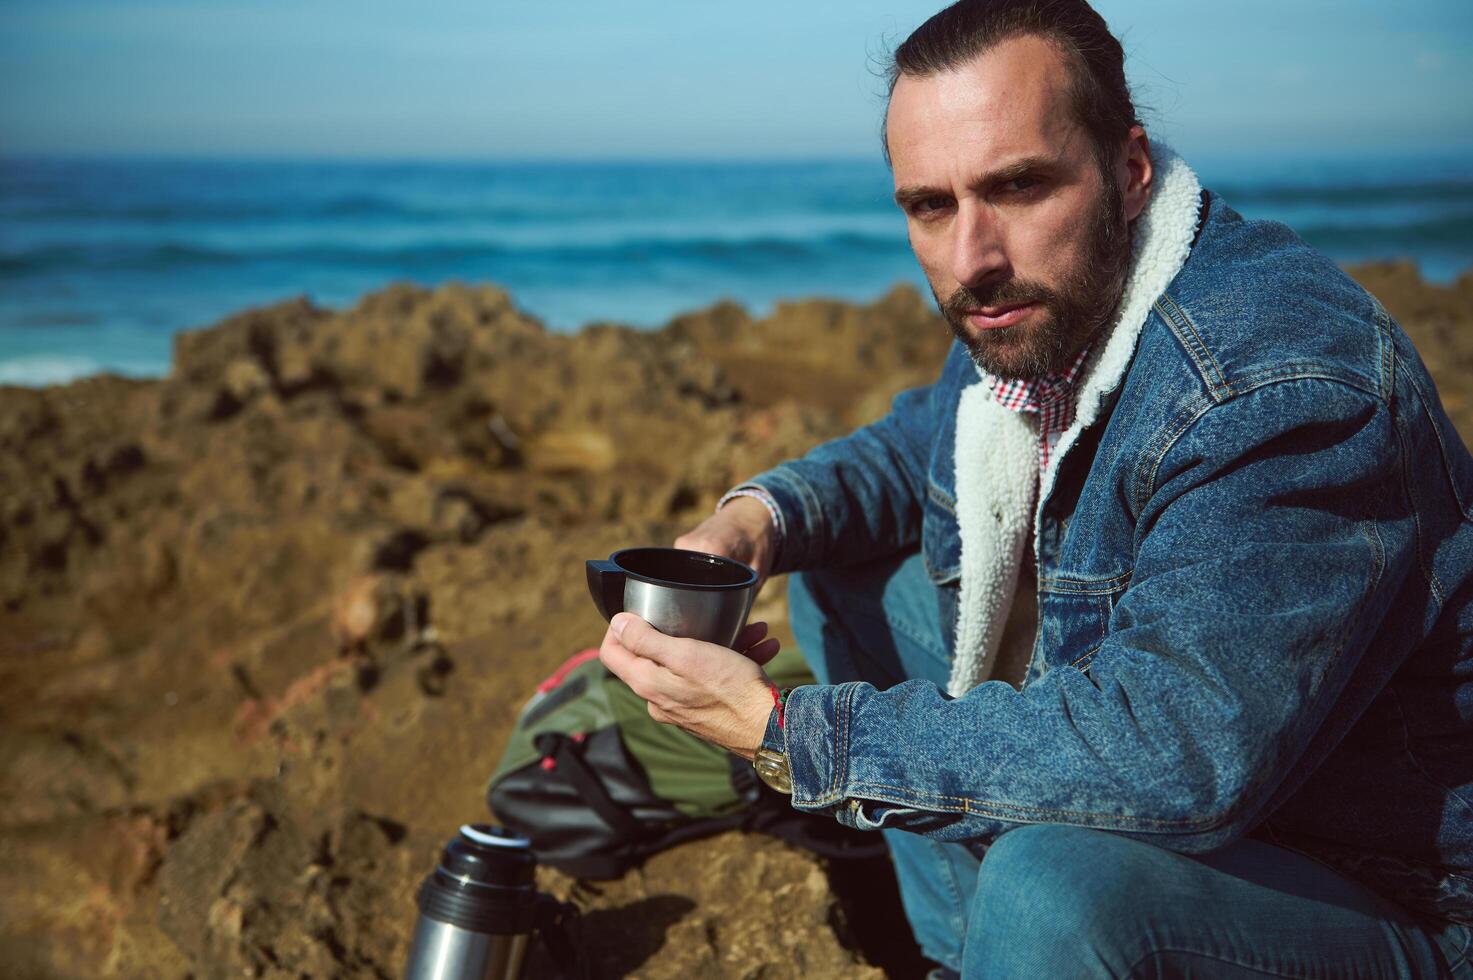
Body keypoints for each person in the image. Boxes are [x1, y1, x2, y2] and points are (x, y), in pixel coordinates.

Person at [597, 0, 1473, 975]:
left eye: (1018, 186)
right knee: (844, 578)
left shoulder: (1275, 385)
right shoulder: (1044, 310)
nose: (973, 257)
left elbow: (1182, 749)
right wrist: (753, 518)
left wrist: (785, 730)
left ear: (1128, 170)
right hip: (1230, 796)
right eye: (931, 204)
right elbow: (915, 443)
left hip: (1395, 893)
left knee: (1049, 885)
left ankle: (1018, 933)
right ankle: (966, 956)